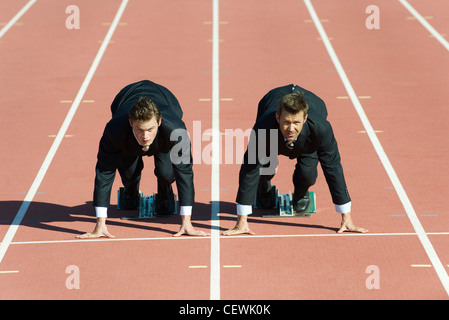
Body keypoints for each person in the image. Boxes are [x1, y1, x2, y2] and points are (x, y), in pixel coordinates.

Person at [223, 84, 368, 235]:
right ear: (278, 118)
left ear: (305, 119)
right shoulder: (263, 128)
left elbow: (333, 168)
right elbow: (249, 168)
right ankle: (264, 187)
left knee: (308, 175)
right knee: (264, 169)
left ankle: (300, 193)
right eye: (286, 122)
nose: (291, 129)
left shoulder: (321, 129)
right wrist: (241, 221)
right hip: (272, 120)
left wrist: (346, 217)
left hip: (308, 141)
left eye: (296, 123)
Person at [77, 80, 208, 238]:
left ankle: (164, 190)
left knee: (167, 173)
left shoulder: (176, 131)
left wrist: (187, 222)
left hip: (165, 117)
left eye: (150, 129)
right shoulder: (114, 130)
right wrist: (100, 224)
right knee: (129, 172)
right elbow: (104, 172)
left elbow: (185, 172)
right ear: (131, 122)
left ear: (159, 122)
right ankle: (131, 190)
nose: (145, 136)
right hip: (126, 108)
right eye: (140, 130)